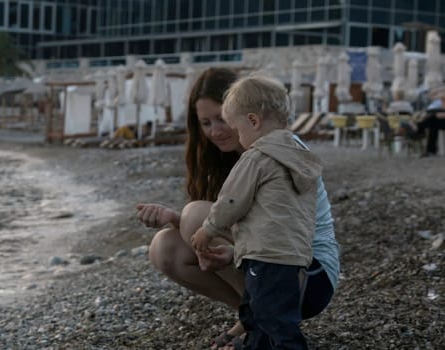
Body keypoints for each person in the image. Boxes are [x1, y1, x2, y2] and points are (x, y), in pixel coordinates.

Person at [135, 67, 340, 349]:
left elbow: (278, 227)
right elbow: (256, 225)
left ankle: (262, 322)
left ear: (250, 115)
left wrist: (197, 226)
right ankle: (255, 321)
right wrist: (175, 219)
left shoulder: (275, 154)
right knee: (165, 248)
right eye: (205, 123)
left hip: (308, 273)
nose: (216, 131)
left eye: (222, 118)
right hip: (279, 265)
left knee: (197, 217)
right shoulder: (243, 156)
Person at [190, 74, 322, 349]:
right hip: (296, 257)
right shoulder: (299, 154)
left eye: (237, 129)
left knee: (273, 318)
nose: (237, 137)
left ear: (253, 121)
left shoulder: (257, 157)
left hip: (265, 256)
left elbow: (231, 201)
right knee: (256, 312)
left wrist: (208, 230)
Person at [416, 88, 445, 157]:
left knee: (432, 120)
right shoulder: (441, 103)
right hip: (440, 121)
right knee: (433, 125)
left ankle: (419, 129)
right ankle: (430, 151)